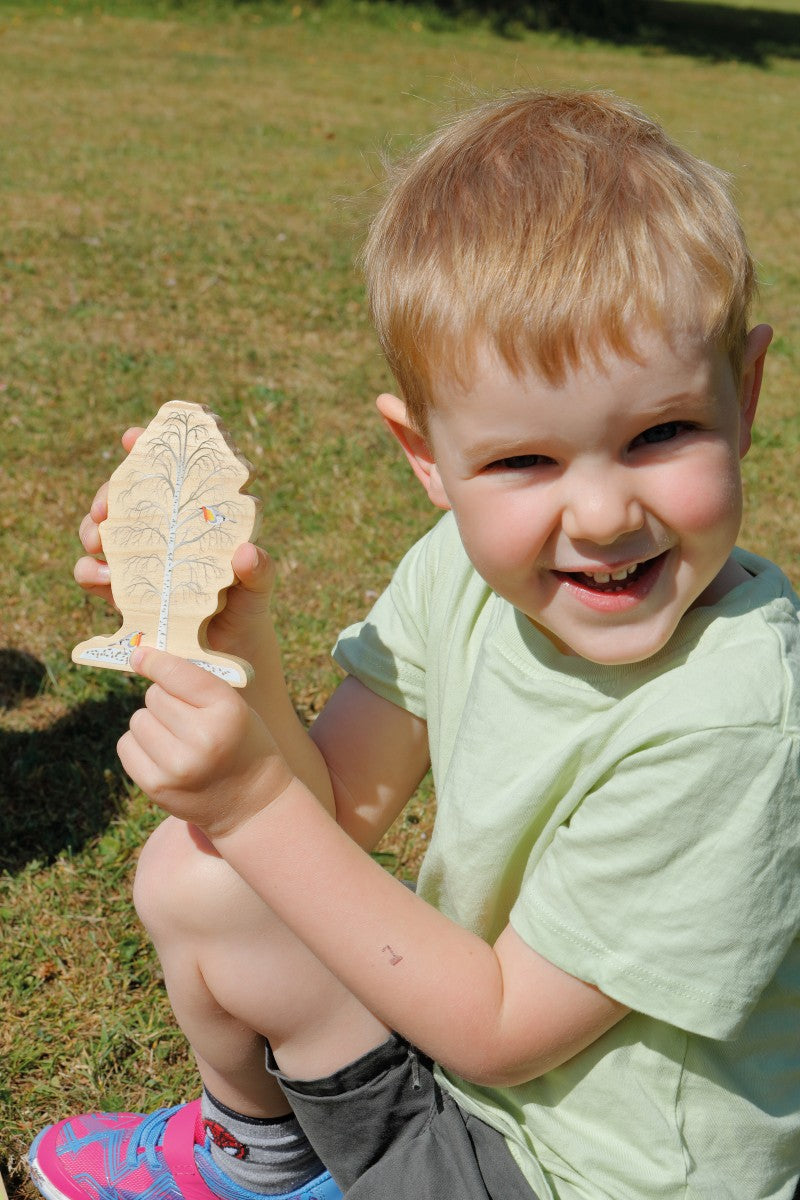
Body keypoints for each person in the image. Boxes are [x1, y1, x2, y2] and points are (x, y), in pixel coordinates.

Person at [29, 90, 800, 1200]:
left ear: (745, 393)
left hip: (569, 1177)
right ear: (425, 456)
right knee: (199, 873)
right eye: (522, 462)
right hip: (469, 1075)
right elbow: (337, 806)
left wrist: (249, 801)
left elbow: (496, 1029)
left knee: (242, 842)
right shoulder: (460, 573)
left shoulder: (730, 716)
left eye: (660, 433)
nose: (597, 517)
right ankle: (258, 1161)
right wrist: (230, 637)